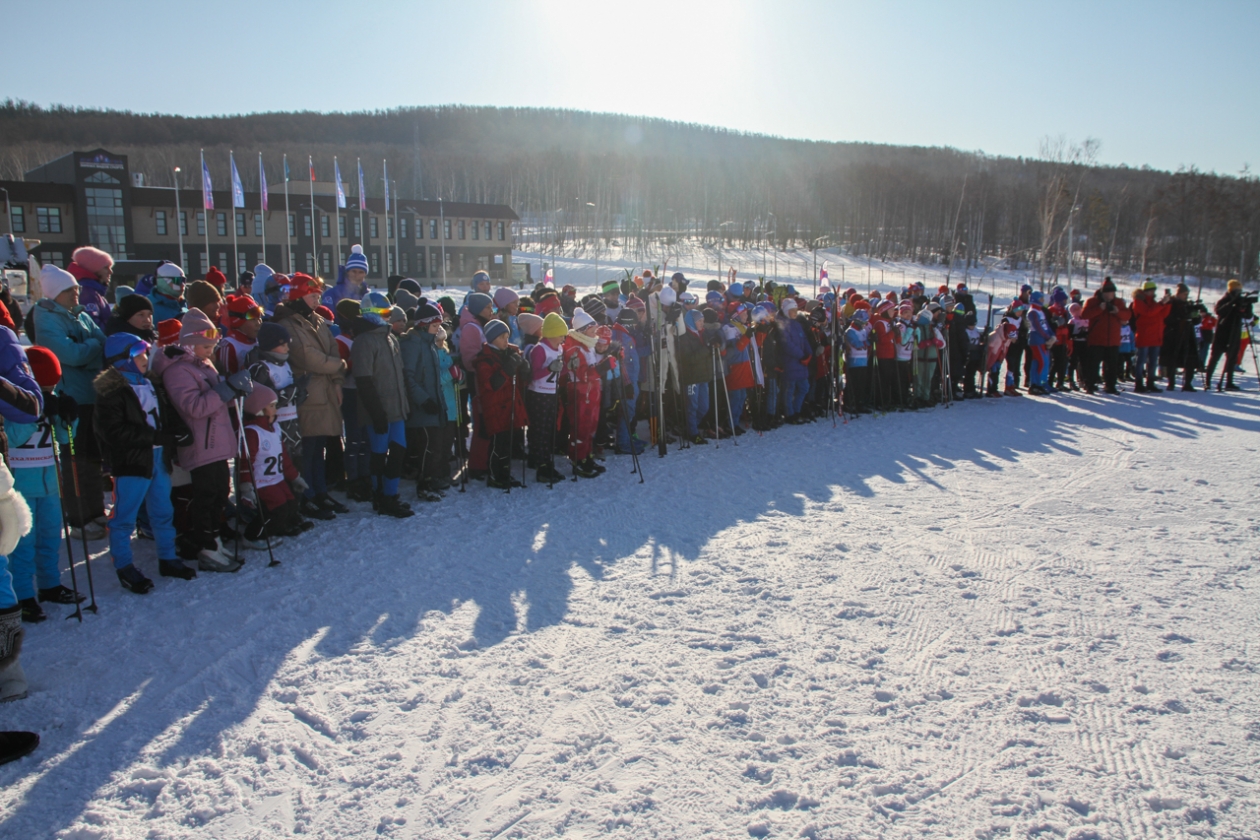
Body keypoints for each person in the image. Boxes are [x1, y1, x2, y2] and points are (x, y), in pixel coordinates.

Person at [95, 332, 196, 591]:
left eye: (144, 353)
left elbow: (164, 413)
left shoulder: (150, 383)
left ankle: (167, 557)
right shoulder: (112, 393)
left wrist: (176, 431)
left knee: (163, 511)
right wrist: (155, 436)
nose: (144, 359)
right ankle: (124, 566)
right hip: (132, 463)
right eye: (137, 354)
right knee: (124, 518)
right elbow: (114, 432)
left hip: (158, 459)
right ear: (122, 360)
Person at [160, 309, 250, 572]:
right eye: (205, 345)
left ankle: (215, 542)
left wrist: (236, 389)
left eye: (212, 345)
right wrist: (226, 389)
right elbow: (194, 407)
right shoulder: (178, 371)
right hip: (200, 442)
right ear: (188, 343)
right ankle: (206, 546)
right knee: (207, 495)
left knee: (221, 492)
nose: (210, 350)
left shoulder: (203, 364)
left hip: (216, 441)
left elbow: (218, 398)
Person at [32, 263, 109, 539]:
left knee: (92, 457)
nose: (77, 293)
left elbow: (103, 342)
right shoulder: (46, 318)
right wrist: (90, 349)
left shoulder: (79, 315)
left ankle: (96, 510)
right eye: (71, 289)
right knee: (73, 460)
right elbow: (70, 354)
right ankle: (78, 519)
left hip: (90, 393)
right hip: (70, 399)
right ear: (56, 293)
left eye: (77, 288)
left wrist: (87, 350)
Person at [7, 347, 81, 621]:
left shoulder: (53, 398)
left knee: (51, 537)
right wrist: (36, 414)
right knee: (23, 543)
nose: (50, 392)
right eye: (44, 387)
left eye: (53, 386)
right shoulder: (12, 402)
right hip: (20, 486)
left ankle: (50, 584)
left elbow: (65, 439)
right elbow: (11, 438)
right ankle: (23, 594)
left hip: (51, 483)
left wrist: (69, 418)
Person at [273, 274, 348, 518]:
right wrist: (338, 366)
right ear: (298, 296)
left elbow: (332, 348)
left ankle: (320, 492)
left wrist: (337, 380)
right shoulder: (289, 325)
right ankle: (306, 496)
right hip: (307, 395)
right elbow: (307, 357)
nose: (317, 300)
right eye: (312, 295)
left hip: (325, 391)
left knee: (319, 448)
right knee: (306, 449)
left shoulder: (317, 320)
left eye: (318, 295)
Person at [352, 292, 413, 517]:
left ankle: (391, 494)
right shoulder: (364, 341)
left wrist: (406, 403)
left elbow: (400, 375)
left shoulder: (390, 338)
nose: (389, 317)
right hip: (378, 411)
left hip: (397, 410)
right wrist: (377, 414)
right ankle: (380, 496)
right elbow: (364, 380)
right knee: (379, 455)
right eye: (385, 313)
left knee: (398, 452)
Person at [238, 384, 312, 539]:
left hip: (277, 479)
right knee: (278, 508)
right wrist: (246, 485)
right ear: (259, 409)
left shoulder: (275, 428)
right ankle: (254, 535)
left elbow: (283, 457)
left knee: (291, 502)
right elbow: (245, 462)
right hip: (262, 482)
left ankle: (283, 525)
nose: (275, 409)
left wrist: (295, 477)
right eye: (271, 406)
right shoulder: (253, 432)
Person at [400, 302, 453, 501]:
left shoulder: (429, 344)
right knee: (428, 445)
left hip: (433, 404)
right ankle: (424, 483)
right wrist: (423, 400)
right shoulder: (412, 345)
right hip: (421, 407)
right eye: (434, 326)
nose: (438, 330)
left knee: (436, 444)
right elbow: (408, 376)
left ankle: (431, 478)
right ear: (423, 325)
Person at [472, 320, 530, 489]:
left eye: (507, 336)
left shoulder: (510, 352)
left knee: (508, 443)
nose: (506, 340)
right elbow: (492, 384)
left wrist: (524, 367)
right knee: (498, 443)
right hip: (495, 407)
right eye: (502, 337)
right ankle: (495, 474)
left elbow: (524, 377)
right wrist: (509, 368)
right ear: (491, 339)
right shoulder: (485, 360)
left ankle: (504, 472)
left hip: (511, 404)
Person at [561, 307, 605, 477]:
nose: (596, 331)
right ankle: (578, 459)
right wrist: (603, 367)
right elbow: (583, 373)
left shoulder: (588, 346)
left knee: (590, 426)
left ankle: (586, 456)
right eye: (593, 328)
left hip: (591, 392)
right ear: (583, 330)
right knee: (581, 427)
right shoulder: (575, 349)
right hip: (580, 394)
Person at [526, 312, 567, 483]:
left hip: (551, 392)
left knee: (549, 429)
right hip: (538, 393)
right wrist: (549, 369)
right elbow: (533, 375)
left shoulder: (559, 348)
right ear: (550, 334)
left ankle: (540, 459)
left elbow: (559, 370)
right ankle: (542, 465)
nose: (563, 339)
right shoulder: (540, 349)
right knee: (540, 430)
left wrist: (568, 367)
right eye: (560, 335)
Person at [1081, 277, 1131, 395]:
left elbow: (1128, 315)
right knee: (1093, 364)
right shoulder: (1092, 302)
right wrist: (1100, 309)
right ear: (1103, 293)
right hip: (1097, 339)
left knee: (1112, 365)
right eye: (1107, 293)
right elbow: (1084, 315)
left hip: (1113, 340)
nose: (1110, 295)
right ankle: (1090, 384)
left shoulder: (1118, 303)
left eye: (1112, 293)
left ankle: (1110, 385)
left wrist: (1117, 311)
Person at [1205, 280, 1252, 392]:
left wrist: (1247, 307)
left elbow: (1247, 315)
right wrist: (1232, 303)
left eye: (1240, 290)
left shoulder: (1241, 301)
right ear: (1231, 290)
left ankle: (1229, 382)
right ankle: (1208, 381)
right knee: (1215, 357)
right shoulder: (1224, 300)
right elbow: (1219, 311)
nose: (1239, 293)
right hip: (1223, 332)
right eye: (1237, 290)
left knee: (1232, 358)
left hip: (1235, 333)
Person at [1130, 280, 1172, 393]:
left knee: (1153, 362)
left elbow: (1162, 314)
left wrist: (1167, 304)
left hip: (1155, 336)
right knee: (1141, 361)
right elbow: (1148, 312)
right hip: (1144, 335)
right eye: (1150, 290)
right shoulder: (1138, 301)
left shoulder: (1153, 302)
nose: (1152, 292)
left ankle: (1150, 383)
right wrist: (1162, 304)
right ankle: (1139, 383)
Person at [66, 246, 114, 330]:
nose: (110, 271)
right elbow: (92, 326)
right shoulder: (87, 292)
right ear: (93, 269)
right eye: (106, 267)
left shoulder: (94, 290)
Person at [216, 293, 264, 375]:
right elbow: (226, 381)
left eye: (259, 318)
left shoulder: (261, 339)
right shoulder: (229, 346)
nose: (258, 323)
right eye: (253, 320)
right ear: (238, 322)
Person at [1161, 283, 1198, 392]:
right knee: (1172, 359)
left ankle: (1188, 383)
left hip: (1188, 334)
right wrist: (1180, 317)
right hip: (1174, 335)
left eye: (1187, 294)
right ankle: (1171, 382)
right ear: (1179, 294)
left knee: (1190, 358)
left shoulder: (1188, 304)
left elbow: (1196, 320)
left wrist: (1194, 315)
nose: (1186, 296)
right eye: (1184, 294)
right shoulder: (1172, 303)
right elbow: (1167, 318)